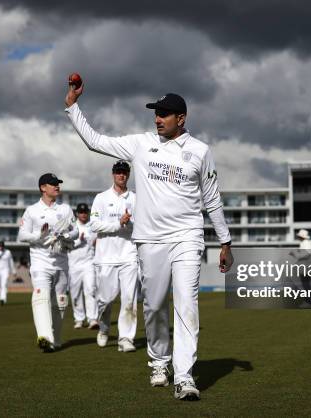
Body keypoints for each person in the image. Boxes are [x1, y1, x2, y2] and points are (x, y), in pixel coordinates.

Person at [65, 80, 233, 401]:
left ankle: (184, 377)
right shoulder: (140, 144)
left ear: (181, 119)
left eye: (165, 114)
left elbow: (212, 199)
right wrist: (73, 106)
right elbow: (94, 141)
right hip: (150, 240)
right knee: (154, 306)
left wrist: (225, 242)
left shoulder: (200, 151)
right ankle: (159, 361)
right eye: (156, 113)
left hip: (187, 237)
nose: (157, 118)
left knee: (186, 305)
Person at [18, 172, 79, 352]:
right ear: (43, 188)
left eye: (58, 184)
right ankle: (44, 336)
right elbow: (22, 235)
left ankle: (56, 339)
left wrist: (65, 235)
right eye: (53, 184)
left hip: (61, 261)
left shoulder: (65, 209)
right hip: (40, 262)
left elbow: (75, 231)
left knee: (60, 301)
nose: (57, 186)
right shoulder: (32, 211)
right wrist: (39, 236)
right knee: (41, 295)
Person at [89, 160, 138, 352]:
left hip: (129, 254)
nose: (121, 175)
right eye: (118, 172)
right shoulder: (101, 198)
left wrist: (129, 222)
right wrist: (118, 224)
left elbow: (142, 225)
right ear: (113, 174)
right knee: (105, 299)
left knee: (129, 298)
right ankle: (103, 327)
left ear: (128, 174)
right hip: (106, 257)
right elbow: (94, 225)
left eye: (125, 172)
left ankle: (125, 338)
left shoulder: (135, 198)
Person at [67, 203, 99, 330]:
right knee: (75, 293)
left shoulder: (93, 226)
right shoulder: (71, 227)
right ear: (77, 214)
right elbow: (67, 245)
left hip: (89, 263)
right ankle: (79, 319)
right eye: (81, 212)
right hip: (73, 264)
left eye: (85, 212)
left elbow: (97, 242)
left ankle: (92, 319)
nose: (83, 214)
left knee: (90, 290)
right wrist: (79, 240)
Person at [0, 240, 15, 306]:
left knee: (4, 284)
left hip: (5, 270)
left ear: (4, 246)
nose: (1, 247)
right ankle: (3, 297)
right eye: (0, 246)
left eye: (2, 246)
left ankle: (2, 298)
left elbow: (11, 262)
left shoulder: (8, 252)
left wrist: (14, 271)